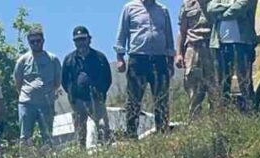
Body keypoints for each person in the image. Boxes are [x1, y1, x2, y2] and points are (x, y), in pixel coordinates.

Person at [117, 0, 177, 138]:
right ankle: (131, 136)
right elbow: (122, 34)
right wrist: (120, 57)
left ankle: (162, 132)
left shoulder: (163, 10)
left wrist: (170, 60)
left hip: (159, 59)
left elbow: (169, 36)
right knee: (134, 99)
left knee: (161, 99)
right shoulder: (129, 8)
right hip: (138, 59)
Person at [63, 27, 114, 149]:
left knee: (102, 126)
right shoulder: (69, 60)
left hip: (96, 99)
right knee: (80, 130)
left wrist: (100, 93)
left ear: (89, 39)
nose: (80, 42)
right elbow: (64, 81)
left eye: (82, 39)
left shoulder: (99, 57)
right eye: (77, 40)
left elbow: (108, 78)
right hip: (78, 101)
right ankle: (81, 154)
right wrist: (73, 96)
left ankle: (106, 150)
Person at [14, 27, 62, 146]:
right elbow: (17, 82)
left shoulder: (52, 59)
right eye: (32, 42)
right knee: (25, 136)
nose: (35, 44)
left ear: (43, 41)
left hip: (46, 104)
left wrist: (47, 94)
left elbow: (57, 82)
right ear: (29, 43)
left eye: (38, 41)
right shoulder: (22, 60)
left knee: (47, 135)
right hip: (26, 104)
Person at [209, 0, 259, 109]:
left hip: (242, 44)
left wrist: (220, 15)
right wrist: (229, 5)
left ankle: (250, 114)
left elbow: (239, 9)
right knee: (222, 82)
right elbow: (210, 8)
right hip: (220, 44)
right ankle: (223, 115)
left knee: (245, 82)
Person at [179, 0, 221, 116]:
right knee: (193, 90)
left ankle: (215, 125)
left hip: (212, 47)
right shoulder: (187, 4)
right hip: (193, 49)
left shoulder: (217, 2)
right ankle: (195, 125)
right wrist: (179, 54)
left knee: (215, 89)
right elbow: (182, 32)